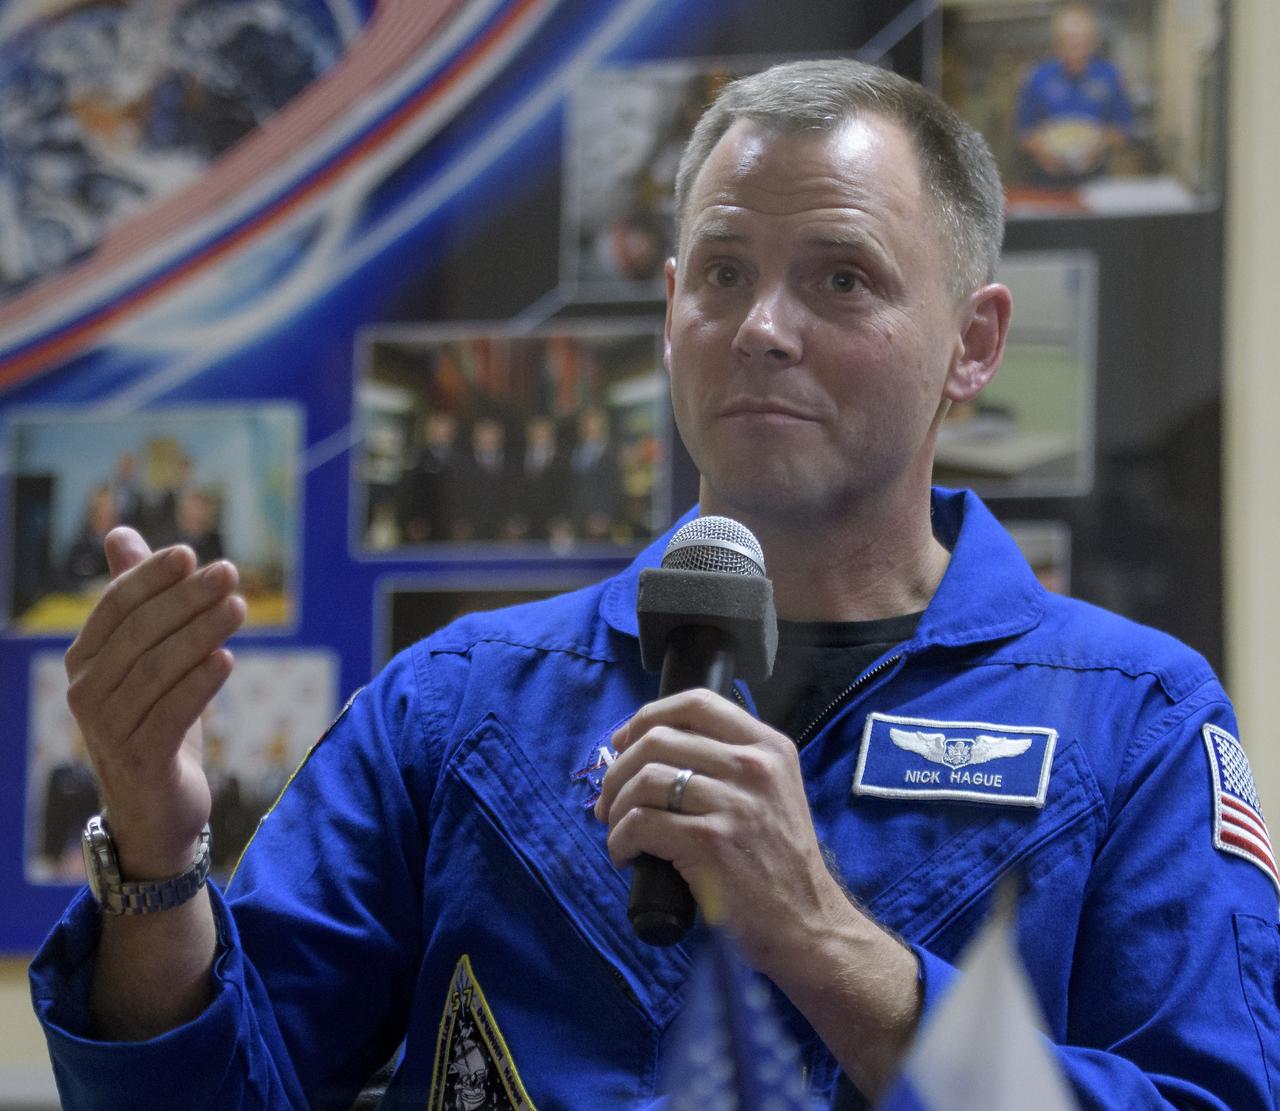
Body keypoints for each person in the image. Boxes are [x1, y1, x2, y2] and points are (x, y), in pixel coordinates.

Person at [30, 58, 1277, 1110]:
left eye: (840, 277)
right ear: (672, 305)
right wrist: (155, 849)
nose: (762, 327)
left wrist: (833, 952)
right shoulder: (455, 706)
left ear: (973, 343)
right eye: (723, 274)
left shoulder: (1133, 721)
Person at [1015, 2, 1136, 186]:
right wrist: (1041, 150)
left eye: (1081, 37)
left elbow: (1124, 130)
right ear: (1057, 41)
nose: (1075, 43)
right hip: (1047, 183)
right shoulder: (1037, 77)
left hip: (1097, 181)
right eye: (1068, 38)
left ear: (1093, 39)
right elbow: (1023, 134)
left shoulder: (1110, 76)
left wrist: (1101, 142)